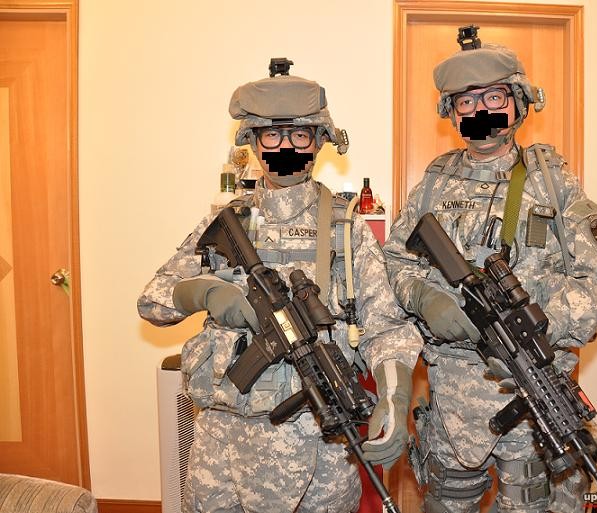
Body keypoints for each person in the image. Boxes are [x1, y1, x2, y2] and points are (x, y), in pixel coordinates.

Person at [138, 58, 422, 513]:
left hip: (318, 444)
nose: (285, 147)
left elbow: (386, 328)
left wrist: (395, 396)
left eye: (299, 135)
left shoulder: (346, 227)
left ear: (319, 142)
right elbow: (152, 302)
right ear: (253, 142)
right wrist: (206, 292)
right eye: (272, 136)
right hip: (222, 444)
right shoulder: (229, 220)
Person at [383, 27, 597, 513]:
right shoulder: (434, 182)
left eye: (493, 97)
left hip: (530, 393)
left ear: (518, 102)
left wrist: (537, 328)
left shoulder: (553, 183)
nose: (480, 111)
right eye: (466, 102)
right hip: (451, 399)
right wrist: (426, 299)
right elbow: (393, 261)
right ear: (452, 112)